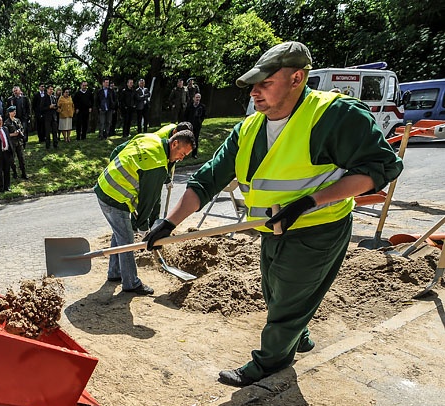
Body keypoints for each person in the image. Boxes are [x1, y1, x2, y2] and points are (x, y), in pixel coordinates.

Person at [142, 41, 404, 387]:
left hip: (318, 229)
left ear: (297, 78)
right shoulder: (249, 129)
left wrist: (312, 201)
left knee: (287, 301)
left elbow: (381, 168)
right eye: (254, 84)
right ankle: (299, 334)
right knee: (276, 292)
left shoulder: (333, 117)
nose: (254, 92)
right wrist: (169, 223)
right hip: (271, 228)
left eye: (266, 83)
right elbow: (206, 181)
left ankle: (271, 362)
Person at [96, 130, 195, 295]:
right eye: (182, 153)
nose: (181, 158)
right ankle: (131, 283)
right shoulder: (156, 165)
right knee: (127, 240)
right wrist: (143, 226)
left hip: (105, 184)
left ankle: (115, 272)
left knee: (120, 232)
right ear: (175, 143)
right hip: (114, 196)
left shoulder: (151, 138)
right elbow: (147, 200)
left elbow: (119, 149)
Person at [5, 105, 28, 180]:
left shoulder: (17, 120)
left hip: (19, 142)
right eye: (12, 111)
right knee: (12, 159)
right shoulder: (7, 123)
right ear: (9, 113)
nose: (14, 112)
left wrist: (20, 132)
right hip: (12, 143)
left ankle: (23, 173)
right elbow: (6, 134)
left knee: (21, 158)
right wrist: (13, 134)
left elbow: (22, 128)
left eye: (15, 111)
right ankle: (14, 172)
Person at [184, 93, 207, 158]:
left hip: (197, 125)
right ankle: (185, 153)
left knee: (195, 139)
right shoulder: (189, 106)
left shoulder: (202, 107)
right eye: (196, 97)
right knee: (187, 139)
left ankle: (194, 154)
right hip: (189, 125)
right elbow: (185, 115)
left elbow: (204, 115)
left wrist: (200, 121)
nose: (198, 99)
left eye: (199, 97)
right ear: (193, 98)